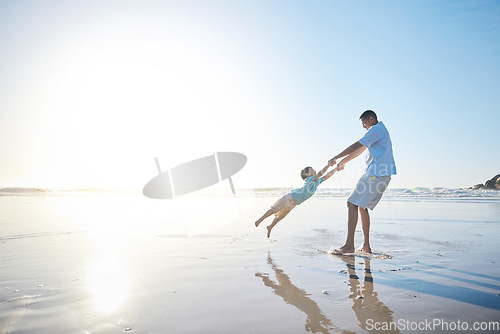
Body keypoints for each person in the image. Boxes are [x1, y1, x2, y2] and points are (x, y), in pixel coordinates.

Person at [328, 110, 396, 254]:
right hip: (381, 174)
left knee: (351, 202)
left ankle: (349, 246)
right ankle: (365, 246)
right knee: (361, 206)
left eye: (364, 123)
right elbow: (361, 149)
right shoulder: (379, 131)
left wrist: (336, 156)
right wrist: (343, 161)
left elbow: (356, 146)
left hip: (376, 173)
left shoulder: (376, 129)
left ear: (371, 119)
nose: (364, 127)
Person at [255, 164, 338, 238]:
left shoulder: (316, 182)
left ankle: (270, 227)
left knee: (280, 216)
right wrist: (328, 165)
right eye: (312, 170)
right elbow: (321, 173)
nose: (315, 171)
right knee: (274, 210)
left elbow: (327, 176)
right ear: (307, 174)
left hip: (293, 204)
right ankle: (260, 219)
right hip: (289, 198)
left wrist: (336, 169)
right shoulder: (309, 179)